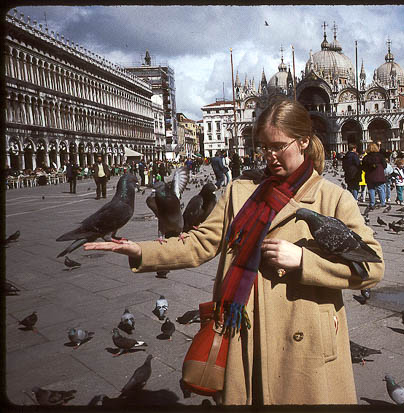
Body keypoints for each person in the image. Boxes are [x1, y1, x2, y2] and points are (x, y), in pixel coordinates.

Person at [83, 99, 384, 405]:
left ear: (304, 141)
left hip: (306, 342)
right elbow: (201, 242)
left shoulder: (333, 198)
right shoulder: (241, 191)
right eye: (264, 147)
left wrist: (303, 261)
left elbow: (373, 268)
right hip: (245, 333)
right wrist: (141, 250)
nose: (270, 156)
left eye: (278, 146)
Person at [361, 142, 387, 210]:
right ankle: (383, 203)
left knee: (371, 189)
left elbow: (363, 167)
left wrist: (368, 170)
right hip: (379, 175)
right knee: (381, 189)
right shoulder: (380, 156)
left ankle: (372, 203)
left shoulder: (366, 157)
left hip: (370, 175)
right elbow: (385, 165)